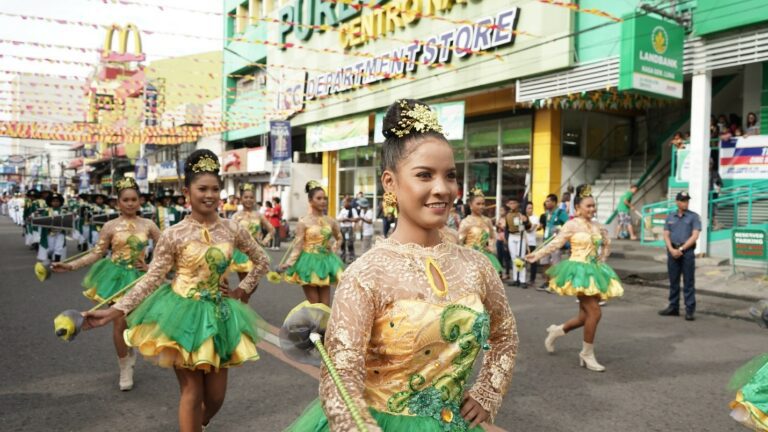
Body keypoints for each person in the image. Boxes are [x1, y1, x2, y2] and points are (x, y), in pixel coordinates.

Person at [287, 99, 518, 432]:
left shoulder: (477, 266)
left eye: (449, 176)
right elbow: (341, 373)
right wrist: (355, 425)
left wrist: (487, 392)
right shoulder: (367, 274)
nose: (442, 188)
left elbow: (506, 335)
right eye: (425, 175)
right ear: (390, 183)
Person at [81, 150, 270, 432]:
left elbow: (262, 260)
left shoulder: (233, 229)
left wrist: (242, 290)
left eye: (215, 189)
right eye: (202, 188)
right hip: (182, 315)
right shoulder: (173, 234)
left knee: (216, 398)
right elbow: (153, 278)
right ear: (187, 192)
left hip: (220, 315)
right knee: (191, 391)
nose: (209, 195)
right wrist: (116, 309)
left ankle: (201, 422)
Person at [53, 177, 161, 391]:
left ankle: (130, 351)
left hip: (141, 279)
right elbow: (97, 253)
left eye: (134, 199)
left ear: (140, 201)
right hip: (115, 279)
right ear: (117, 203)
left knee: (138, 321)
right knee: (119, 322)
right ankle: (124, 367)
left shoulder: (149, 225)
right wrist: (71, 266)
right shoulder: (110, 226)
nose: (130, 203)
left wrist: (151, 266)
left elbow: (166, 249)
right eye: (125, 200)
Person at [525, 184, 623, 372]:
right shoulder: (572, 225)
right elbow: (556, 243)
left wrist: (602, 259)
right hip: (578, 272)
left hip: (594, 272)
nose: (592, 209)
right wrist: (536, 256)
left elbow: (607, 243)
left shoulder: (598, 226)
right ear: (577, 208)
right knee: (595, 313)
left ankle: (557, 330)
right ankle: (586, 354)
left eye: (594, 206)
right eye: (588, 206)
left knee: (584, 316)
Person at [280, 181, 344, 307]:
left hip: (326, 263)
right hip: (308, 263)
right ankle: (314, 326)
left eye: (324, 198)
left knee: (325, 306)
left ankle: (324, 327)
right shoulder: (303, 222)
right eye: (319, 198)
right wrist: (289, 263)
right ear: (310, 201)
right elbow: (298, 246)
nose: (323, 201)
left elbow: (339, 237)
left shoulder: (331, 221)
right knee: (315, 305)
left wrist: (333, 250)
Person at [658, 192, 701, 321]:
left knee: (688, 281)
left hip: (686, 252)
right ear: (677, 202)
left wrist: (681, 249)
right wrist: (671, 249)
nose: (685, 203)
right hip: (672, 251)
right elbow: (666, 234)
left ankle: (689, 310)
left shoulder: (694, 217)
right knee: (673, 281)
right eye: (683, 201)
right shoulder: (670, 217)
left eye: (687, 200)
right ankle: (673, 307)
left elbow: (695, 236)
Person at [229, 183, 275, 292]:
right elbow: (231, 234)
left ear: (254, 199)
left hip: (257, 252)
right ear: (241, 199)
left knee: (253, 284)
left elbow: (272, 230)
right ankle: (243, 303)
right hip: (242, 253)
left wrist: (264, 241)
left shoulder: (258, 215)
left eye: (251, 197)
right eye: (246, 197)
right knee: (245, 283)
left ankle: (243, 301)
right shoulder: (236, 216)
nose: (248, 200)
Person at [459, 189, 503, 277]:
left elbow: (492, 236)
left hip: (485, 257)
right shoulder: (466, 222)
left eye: (483, 204)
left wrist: (491, 246)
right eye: (478, 204)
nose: (481, 206)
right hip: (470, 258)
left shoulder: (487, 220)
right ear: (471, 205)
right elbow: (459, 241)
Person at [538, 194, 569, 291]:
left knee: (556, 263)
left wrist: (559, 229)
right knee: (544, 262)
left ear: (554, 202)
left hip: (556, 242)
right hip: (546, 241)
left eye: (548, 201)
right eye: (546, 201)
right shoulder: (547, 213)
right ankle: (547, 282)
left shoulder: (561, 213)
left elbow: (568, 225)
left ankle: (555, 284)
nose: (546, 203)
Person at [36, 192, 68, 265]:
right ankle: (49, 257)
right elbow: (42, 220)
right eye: (53, 201)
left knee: (59, 247)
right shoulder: (46, 211)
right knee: (50, 248)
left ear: (60, 202)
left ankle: (57, 263)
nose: (55, 203)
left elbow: (69, 219)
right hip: (49, 232)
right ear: (50, 202)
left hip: (60, 232)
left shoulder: (64, 211)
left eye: (57, 201)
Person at [505, 197, 530, 288]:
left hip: (520, 236)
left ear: (517, 204)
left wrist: (525, 221)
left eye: (514, 203)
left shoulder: (522, 214)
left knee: (521, 258)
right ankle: (516, 279)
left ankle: (522, 280)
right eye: (510, 203)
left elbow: (528, 227)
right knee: (514, 258)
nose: (512, 205)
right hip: (512, 236)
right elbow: (506, 229)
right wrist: (506, 239)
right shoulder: (508, 215)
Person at [337, 196, 359, 263]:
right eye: (343, 202)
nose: (343, 203)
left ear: (349, 202)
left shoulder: (352, 210)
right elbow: (338, 219)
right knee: (342, 243)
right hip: (343, 228)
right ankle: (342, 257)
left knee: (350, 243)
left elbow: (356, 219)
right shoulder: (342, 210)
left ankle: (351, 258)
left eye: (344, 202)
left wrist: (348, 219)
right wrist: (342, 219)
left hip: (349, 228)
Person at [525, 201, 540, 286]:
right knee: (523, 261)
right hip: (523, 242)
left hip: (531, 242)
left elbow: (530, 230)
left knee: (533, 261)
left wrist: (525, 224)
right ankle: (523, 279)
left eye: (531, 208)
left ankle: (532, 279)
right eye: (528, 208)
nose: (530, 209)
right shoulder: (522, 217)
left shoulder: (535, 218)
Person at [495, 206, 511, 280]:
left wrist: (500, 226)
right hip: (499, 239)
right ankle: (500, 273)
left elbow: (506, 228)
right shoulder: (500, 219)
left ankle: (507, 273)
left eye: (502, 210)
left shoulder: (507, 219)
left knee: (506, 257)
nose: (501, 212)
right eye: (500, 210)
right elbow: (497, 229)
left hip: (505, 240)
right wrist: (497, 226)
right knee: (499, 257)